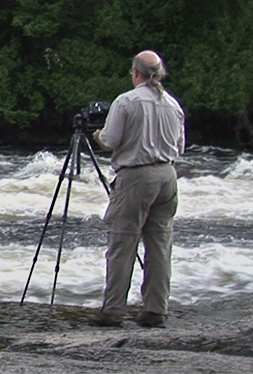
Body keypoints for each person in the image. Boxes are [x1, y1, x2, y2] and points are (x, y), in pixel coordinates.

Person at [89, 50, 185, 328]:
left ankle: (113, 310)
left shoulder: (126, 101)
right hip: (167, 175)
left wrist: (97, 136)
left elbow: (111, 140)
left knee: (122, 243)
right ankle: (155, 309)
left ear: (135, 72)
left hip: (136, 176)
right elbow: (179, 147)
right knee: (160, 245)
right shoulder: (173, 105)